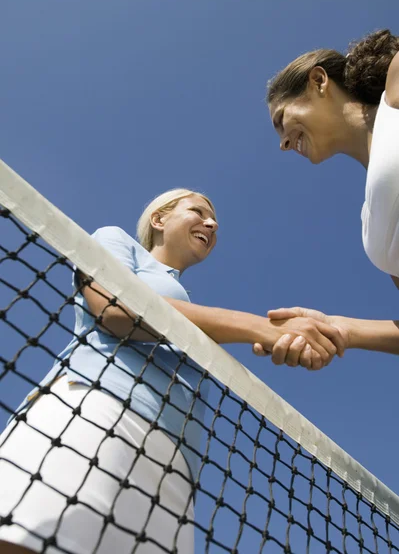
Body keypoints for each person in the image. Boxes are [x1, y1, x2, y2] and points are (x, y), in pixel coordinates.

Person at [0, 188, 342, 554]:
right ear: (159, 220)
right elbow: (114, 308)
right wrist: (259, 327)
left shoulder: (189, 305)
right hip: (95, 411)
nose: (211, 224)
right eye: (198, 211)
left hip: (176, 468)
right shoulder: (115, 239)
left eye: (215, 223)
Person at [260, 29, 399, 368]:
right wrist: (343, 329)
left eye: (282, 121)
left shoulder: (394, 98)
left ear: (319, 81)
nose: (282, 144)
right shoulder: (370, 225)